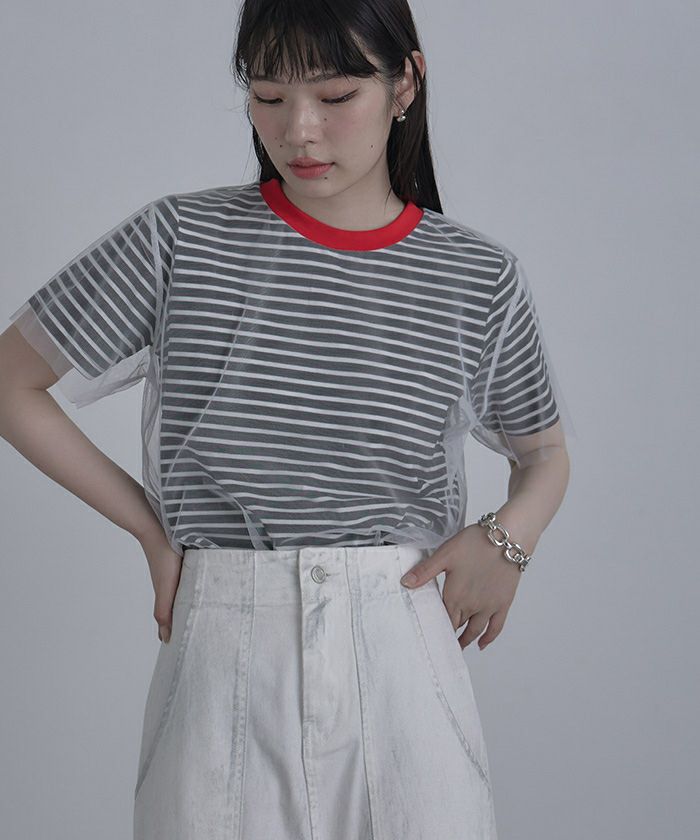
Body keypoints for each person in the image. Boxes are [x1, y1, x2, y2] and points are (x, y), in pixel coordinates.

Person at [0, 1, 574, 837]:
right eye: (269, 96)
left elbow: (545, 453)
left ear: (405, 83)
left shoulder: (475, 276)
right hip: (222, 642)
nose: (298, 131)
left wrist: (508, 539)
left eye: (336, 96)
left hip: (401, 646)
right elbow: (12, 381)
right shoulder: (179, 240)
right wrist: (150, 530)